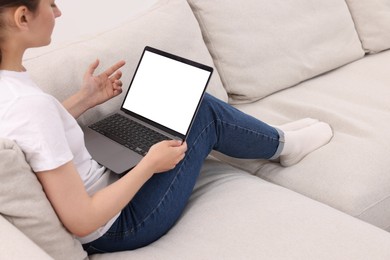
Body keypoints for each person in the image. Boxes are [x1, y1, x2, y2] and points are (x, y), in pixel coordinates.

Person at [0, 0, 333, 255]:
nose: (58, 13)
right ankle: (284, 145)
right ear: (23, 18)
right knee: (202, 112)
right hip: (118, 225)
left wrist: (84, 100)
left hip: (102, 182)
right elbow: (82, 220)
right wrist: (149, 165)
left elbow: (37, 131)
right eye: (51, 4)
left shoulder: (10, 87)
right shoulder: (31, 106)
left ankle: (271, 135)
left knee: (170, 115)